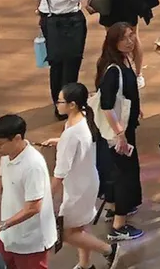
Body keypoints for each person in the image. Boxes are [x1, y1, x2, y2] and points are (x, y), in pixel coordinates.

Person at [0, 112, 58, 269]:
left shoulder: (32, 165)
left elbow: (34, 207)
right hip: (10, 235)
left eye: (0, 144)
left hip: (32, 241)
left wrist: (1, 225)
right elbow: (5, 183)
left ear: (17, 138)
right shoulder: (7, 155)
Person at [45, 83, 110, 268]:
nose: (57, 104)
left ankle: (108, 250)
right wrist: (60, 141)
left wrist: (48, 196)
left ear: (72, 104)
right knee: (79, 228)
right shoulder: (81, 119)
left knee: (65, 233)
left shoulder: (71, 133)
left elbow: (60, 172)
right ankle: (85, 265)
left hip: (78, 189)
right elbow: (79, 144)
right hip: (87, 183)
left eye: (60, 101)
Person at [93, 21, 143, 244]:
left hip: (121, 130)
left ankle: (114, 208)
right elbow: (106, 105)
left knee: (117, 172)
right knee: (126, 175)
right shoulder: (113, 70)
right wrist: (120, 133)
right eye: (125, 38)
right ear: (114, 42)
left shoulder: (122, 61)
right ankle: (119, 226)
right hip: (119, 134)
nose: (130, 41)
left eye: (132, 36)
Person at [33, 0, 88, 117]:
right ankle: (69, 105)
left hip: (48, 19)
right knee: (71, 64)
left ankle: (58, 103)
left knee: (55, 63)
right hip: (70, 20)